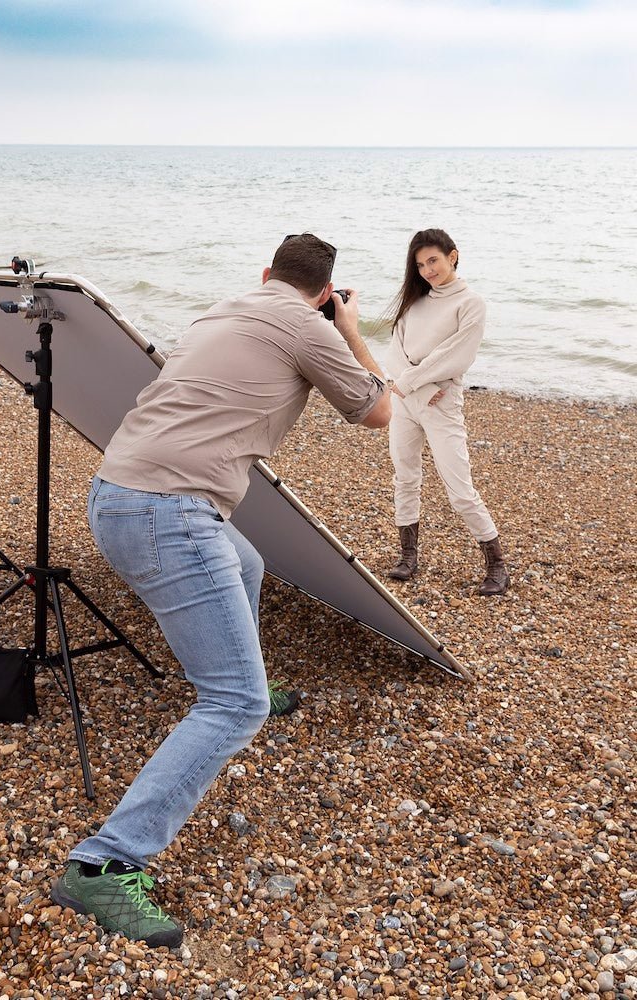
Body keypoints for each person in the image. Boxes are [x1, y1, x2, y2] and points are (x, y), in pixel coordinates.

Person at [50, 233, 391, 947]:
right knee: (231, 705)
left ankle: (252, 679)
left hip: (114, 493)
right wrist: (351, 331)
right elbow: (376, 410)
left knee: (246, 564)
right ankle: (104, 864)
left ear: (265, 274)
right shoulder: (311, 324)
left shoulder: (222, 309)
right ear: (325, 293)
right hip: (170, 514)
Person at [383, 228, 510, 596]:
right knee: (405, 477)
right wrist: (416, 385)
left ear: (452, 256)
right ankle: (408, 556)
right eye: (420, 264)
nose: (427, 270)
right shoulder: (415, 302)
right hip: (407, 399)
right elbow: (395, 353)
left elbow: (457, 355)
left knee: (460, 489)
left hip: (441, 402)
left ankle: (497, 566)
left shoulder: (471, 303)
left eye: (433, 261)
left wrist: (418, 383)